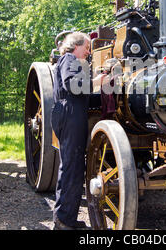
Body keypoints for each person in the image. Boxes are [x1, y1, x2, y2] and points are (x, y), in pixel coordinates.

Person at [51, 32, 104, 230]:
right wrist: (98, 82)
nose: (89, 52)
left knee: (74, 167)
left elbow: (85, 96)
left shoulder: (74, 62)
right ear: (76, 45)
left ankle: (67, 219)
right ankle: (64, 222)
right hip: (70, 113)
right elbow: (72, 85)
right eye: (87, 47)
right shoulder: (69, 58)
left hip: (73, 112)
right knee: (71, 167)